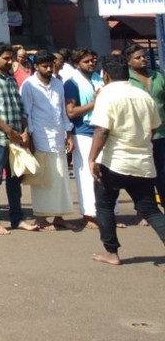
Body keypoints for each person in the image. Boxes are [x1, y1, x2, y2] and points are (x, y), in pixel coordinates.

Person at [88, 55, 165, 266]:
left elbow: (102, 130)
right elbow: (154, 126)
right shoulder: (143, 96)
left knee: (104, 206)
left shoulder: (107, 95)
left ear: (106, 75)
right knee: (150, 210)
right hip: (142, 161)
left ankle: (111, 252)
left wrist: (92, 158)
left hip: (113, 161)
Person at [0, 41, 38, 235]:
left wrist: (24, 130)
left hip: (16, 139)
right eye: (6, 58)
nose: (10, 61)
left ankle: (17, 218)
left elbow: (20, 109)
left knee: (15, 180)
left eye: (11, 58)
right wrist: (9, 131)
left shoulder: (11, 79)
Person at [19, 52, 76, 230]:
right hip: (40, 137)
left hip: (58, 136)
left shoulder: (58, 84)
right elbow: (26, 113)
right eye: (44, 66)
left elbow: (62, 111)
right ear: (36, 67)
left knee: (60, 177)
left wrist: (69, 134)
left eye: (51, 65)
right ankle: (41, 219)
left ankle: (59, 217)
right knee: (43, 180)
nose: (49, 69)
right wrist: (30, 137)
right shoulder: (29, 85)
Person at [64, 47, 105, 228]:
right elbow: (71, 112)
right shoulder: (72, 83)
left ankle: (108, 213)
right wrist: (95, 102)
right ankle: (88, 214)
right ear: (76, 64)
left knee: (105, 173)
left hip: (104, 129)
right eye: (86, 61)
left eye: (93, 60)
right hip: (83, 131)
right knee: (86, 175)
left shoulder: (100, 79)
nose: (91, 63)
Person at [124, 44, 165, 211]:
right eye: (138, 57)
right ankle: (143, 210)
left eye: (144, 56)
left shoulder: (158, 76)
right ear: (128, 62)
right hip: (138, 136)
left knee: (162, 173)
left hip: (161, 133)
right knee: (142, 175)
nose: (143, 59)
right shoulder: (125, 80)